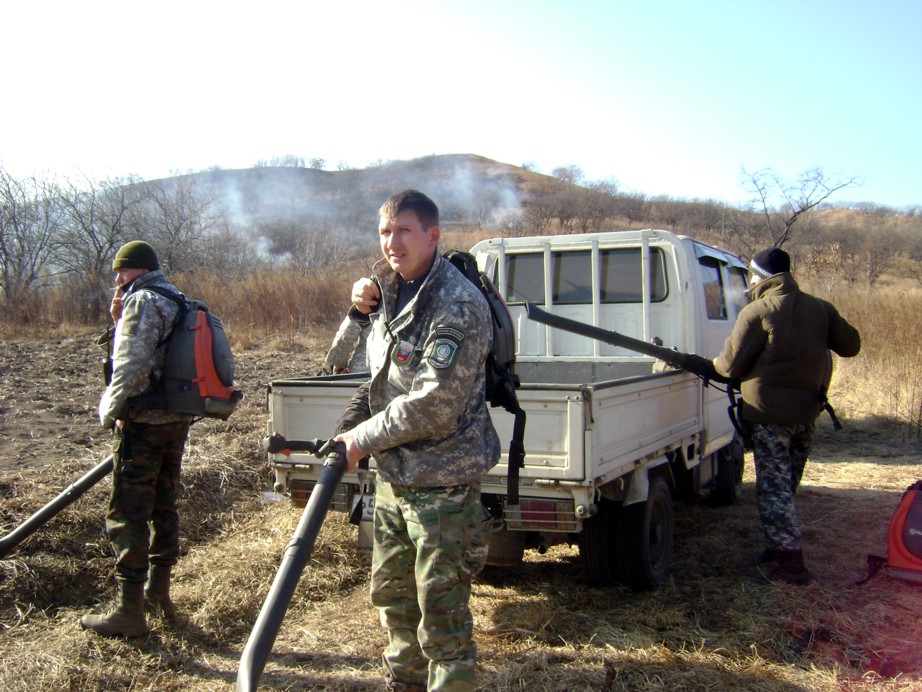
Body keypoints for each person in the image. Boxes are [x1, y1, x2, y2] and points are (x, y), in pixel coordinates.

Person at [334, 190, 500, 691]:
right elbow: (342, 361)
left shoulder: (458, 304)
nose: (392, 242)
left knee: (441, 618)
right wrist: (357, 312)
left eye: (404, 231)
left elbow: (433, 404)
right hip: (394, 477)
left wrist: (358, 441)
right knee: (393, 602)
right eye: (385, 231)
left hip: (442, 485)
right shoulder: (388, 290)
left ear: (432, 235)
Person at [712, 247, 861, 585]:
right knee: (788, 481)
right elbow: (851, 345)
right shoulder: (821, 309)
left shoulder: (757, 310)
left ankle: (791, 563)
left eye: (751, 274)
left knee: (774, 486)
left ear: (760, 276)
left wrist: (711, 363)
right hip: (807, 412)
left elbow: (729, 366)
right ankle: (778, 545)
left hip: (768, 416)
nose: (748, 281)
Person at [80, 240, 194, 637]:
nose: (116, 279)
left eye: (121, 271)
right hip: (174, 420)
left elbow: (132, 364)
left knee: (128, 512)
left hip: (142, 424)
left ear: (137, 269)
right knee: (165, 503)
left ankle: (129, 610)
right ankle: (158, 594)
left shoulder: (143, 300)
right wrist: (117, 322)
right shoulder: (177, 298)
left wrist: (108, 410)